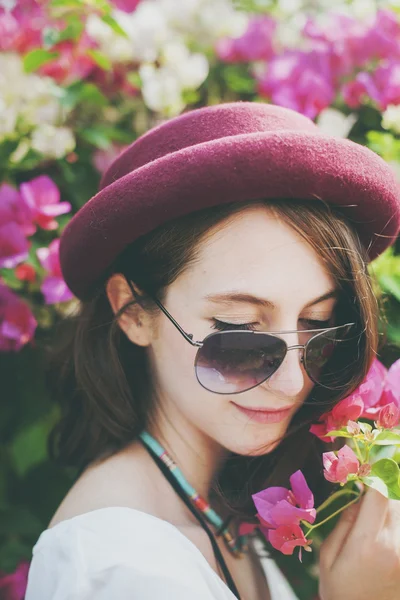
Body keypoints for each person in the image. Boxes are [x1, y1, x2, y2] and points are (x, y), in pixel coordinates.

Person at [25, 102, 400, 600]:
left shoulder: (217, 514)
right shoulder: (121, 568)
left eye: (316, 325)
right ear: (134, 312)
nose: (291, 383)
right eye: (239, 330)